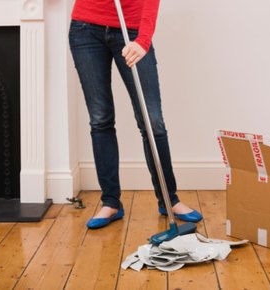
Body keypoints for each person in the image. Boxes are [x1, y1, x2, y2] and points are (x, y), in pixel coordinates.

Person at [69, 0, 203, 229]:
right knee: (100, 119)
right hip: (85, 30)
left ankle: (169, 199)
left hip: (131, 30)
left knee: (152, 122)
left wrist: (143, 40)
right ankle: (111, 203)